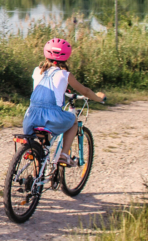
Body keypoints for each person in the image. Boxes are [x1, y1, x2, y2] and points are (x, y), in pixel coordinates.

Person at [23, 38, 105, 166]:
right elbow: (85, 91)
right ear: (67, 56)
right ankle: (64, 155)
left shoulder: (37, 71)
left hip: (30, 117)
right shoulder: (65, 74)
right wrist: (99, 98)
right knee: (73, 121)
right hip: (52, 117)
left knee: (40, 149)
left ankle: (36, 181)